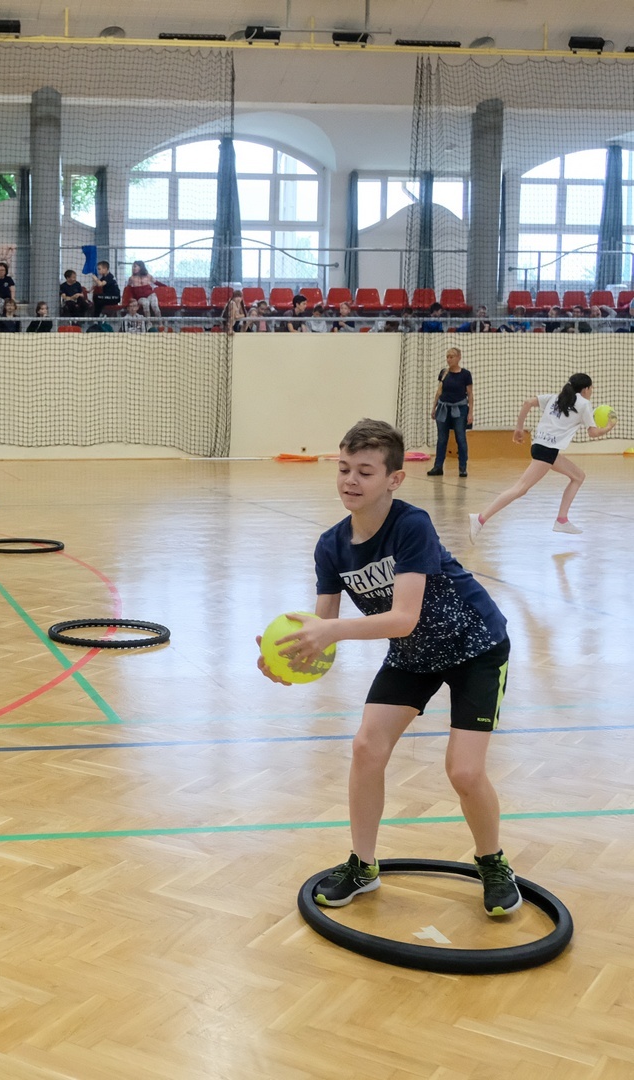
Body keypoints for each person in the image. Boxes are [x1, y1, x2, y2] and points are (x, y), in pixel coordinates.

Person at [260, 419, 520, 917]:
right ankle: (363, 865)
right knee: (366, 747)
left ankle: (492, 862)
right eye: (343, 469)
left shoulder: (410, 524)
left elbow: (403, 618)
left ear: (394, 479)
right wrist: (289, 657)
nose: (350, 480)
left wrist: (328, 633)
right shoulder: (330, 545)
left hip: (475, 646)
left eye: (365, 471)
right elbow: (325, 627)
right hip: (414, 655)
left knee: (464, 771)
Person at [470, 373, 617, 539]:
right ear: (585, 389)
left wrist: (519, 428)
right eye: (591, 388)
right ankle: (480, 518)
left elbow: (528, 402)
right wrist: (609, 427)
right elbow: (593, 433)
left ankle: (562, 520)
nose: (592, 391)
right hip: (547, 451)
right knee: (520, 488)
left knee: (578, 476)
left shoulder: (555, 398)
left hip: (540, 446)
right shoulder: (584, 404)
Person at [427, 346, 473, 478]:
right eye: (447, 357)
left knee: (460, 438)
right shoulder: (444, 373)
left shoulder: (465, 374)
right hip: (443, 408)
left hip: (460, 409)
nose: (449, 359)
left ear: (459, 358)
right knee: (442, 439)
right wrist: (434, 407)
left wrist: (470, 413)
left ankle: (462, 468)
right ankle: (438, 467)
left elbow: (470, 394)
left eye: (451, 357)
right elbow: (439, 391)